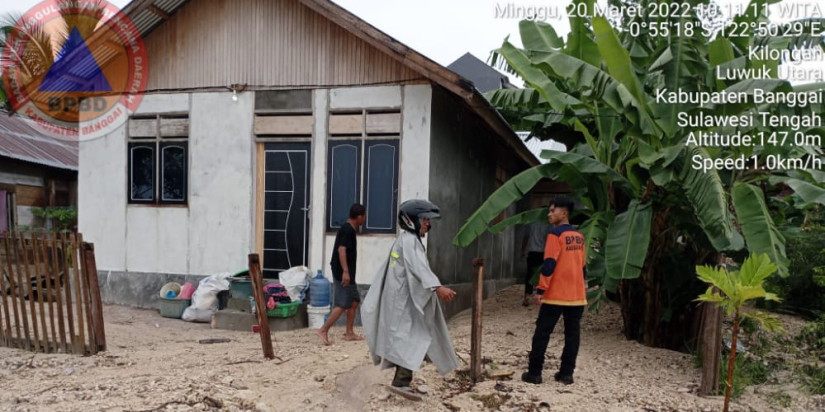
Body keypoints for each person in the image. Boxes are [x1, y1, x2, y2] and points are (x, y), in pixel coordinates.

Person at [361, 199, 459, 400]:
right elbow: (418, 268)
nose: (427, 224)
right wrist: (438, 287)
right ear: (411, 220)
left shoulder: (409, 240)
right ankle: (401, 383)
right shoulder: (409, 241)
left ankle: (403, 379)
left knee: (409, 338)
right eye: (424, 220)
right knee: (412, 337)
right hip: (402, 302)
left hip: (403, 300)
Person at [521, 196, 587, 386]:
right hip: (576, 296)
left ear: (564, 213)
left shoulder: (555, 235)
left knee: (542, 333)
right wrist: (584, 287)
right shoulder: (579, 237)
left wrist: (540, 290)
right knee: (572, 335)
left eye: (552, 211)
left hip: (556, 295)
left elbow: (549, 264)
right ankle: (566, 374)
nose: (549, 214)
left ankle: (534, 373)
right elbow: (582, 266)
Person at [317, 203, 366, 345]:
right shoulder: (347, 230)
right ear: (359, 216)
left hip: (348, 272)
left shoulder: (350, 229)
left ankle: (349, 333)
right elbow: (341, 250)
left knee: (354, 300)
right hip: (342, 272)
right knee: (343, 303)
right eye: (364, 216)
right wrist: (345, 271)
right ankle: (323, 330)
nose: (365, 219)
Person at [521, 217, 552, 306]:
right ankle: (542, 295)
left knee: (529, 274)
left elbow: (525, 237)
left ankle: (526, 296)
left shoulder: (531, 222)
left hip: (532, 252)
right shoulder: (548, 224)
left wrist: (522, 250)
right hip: (543, 252)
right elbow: (549, 239)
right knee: (543, 274)